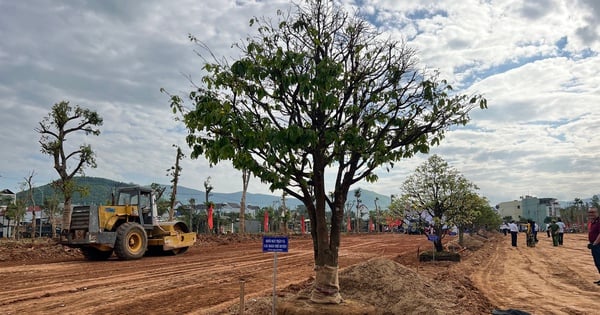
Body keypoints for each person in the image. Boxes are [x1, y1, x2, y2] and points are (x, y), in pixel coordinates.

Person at [587, 208, 600, 285]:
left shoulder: (599, 221)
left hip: (598, 245)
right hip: (594, 245)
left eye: (593, 212)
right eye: (589, 213)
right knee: (597, 263)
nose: (591, 214)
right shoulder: (593, 222)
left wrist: (595, 243)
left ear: (597, 212)